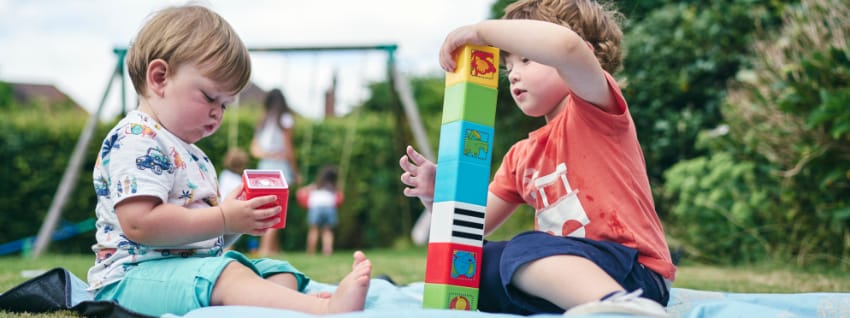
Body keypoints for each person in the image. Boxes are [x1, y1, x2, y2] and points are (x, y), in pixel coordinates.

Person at [86, 5, 371, 316]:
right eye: (210, 97)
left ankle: (287, 305)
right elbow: (141, 224)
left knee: (278, 272)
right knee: (230, 276)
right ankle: (324, 309)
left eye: (225, 105)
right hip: (131, 279)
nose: (217, 114)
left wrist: (237, 223)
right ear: (160, 77)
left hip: (187, 272)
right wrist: (223, 217)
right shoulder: (137, 137)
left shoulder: (190, 151)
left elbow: (199, 233)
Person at [399, 0, 675, 316]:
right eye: (509, 66)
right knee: (471, 263)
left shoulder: (596, 111)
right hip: (561, 278)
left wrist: (480, 31)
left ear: (585, 54)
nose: (514, 75)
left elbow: (566, 47)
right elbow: (472, 229)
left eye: (527, 60)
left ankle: (618, 307)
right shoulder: (521, 157)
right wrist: (438, 196)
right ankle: (599, 305)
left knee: (525, 246)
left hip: (634, 273)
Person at [251, 88, 299, 256]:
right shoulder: (285, 119)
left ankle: (274, 250)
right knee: (277, 210)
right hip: (280, 169)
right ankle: (265, 250)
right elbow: (289, 148)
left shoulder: (262, 121)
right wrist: (295, 171)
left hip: (263, 168)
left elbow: (254, 149)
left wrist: (268, 153)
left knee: (267, 207)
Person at [297, 165, 343, 256]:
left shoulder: (316, 185)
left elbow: (302, 191)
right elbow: (340, 196)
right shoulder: (334, 187)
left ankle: (311, 251)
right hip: (329, 207)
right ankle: (327, 251)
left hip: (316, 207)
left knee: (314, 230)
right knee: (327, 230)